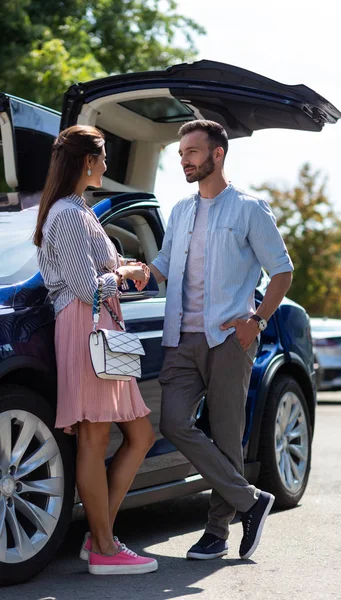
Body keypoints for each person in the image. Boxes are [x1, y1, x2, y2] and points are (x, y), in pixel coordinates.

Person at [150, 120, 293, 561]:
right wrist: (136, 273)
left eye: (191, 152)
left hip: (230, 339)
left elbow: (282, 271)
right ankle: (251, 502)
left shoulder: (250, 209)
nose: (183, 160)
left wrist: (257, 319)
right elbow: (163, 265)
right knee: (173, 422)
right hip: (182, 337)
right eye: (180, 154)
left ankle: (217, 532)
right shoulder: (179, 211)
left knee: (228, 435)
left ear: (217, 154)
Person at [34, 125, 158, 576]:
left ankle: (99, 535)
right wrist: (122, 276)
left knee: (140, 434)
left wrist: (126, 267)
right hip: (85, 325)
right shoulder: (66, 214)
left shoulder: (79, 210)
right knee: (94, 436)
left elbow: (95, 273)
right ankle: (105, 546)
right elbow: (86, 288)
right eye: (103, 157)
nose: (107, 166)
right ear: (87, 161)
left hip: (106, 327)